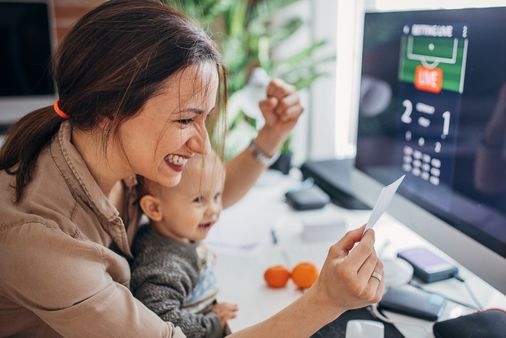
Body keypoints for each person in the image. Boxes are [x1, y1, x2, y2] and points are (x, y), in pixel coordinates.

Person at [0, 1, 385, 337]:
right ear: (109, 111)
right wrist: (326, 301)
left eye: (205, 119)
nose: (201, 143)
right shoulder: (39, 239)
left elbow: (193, 196)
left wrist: (270, 138)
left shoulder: (111, 148)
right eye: (185, 120)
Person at [131, 153, 236, 338]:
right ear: (154, 209)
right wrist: (212, 324)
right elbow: (161, 318)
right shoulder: (165, 265)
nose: (213, 209)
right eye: (198, 200)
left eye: (217, 196)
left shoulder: (178, 233)